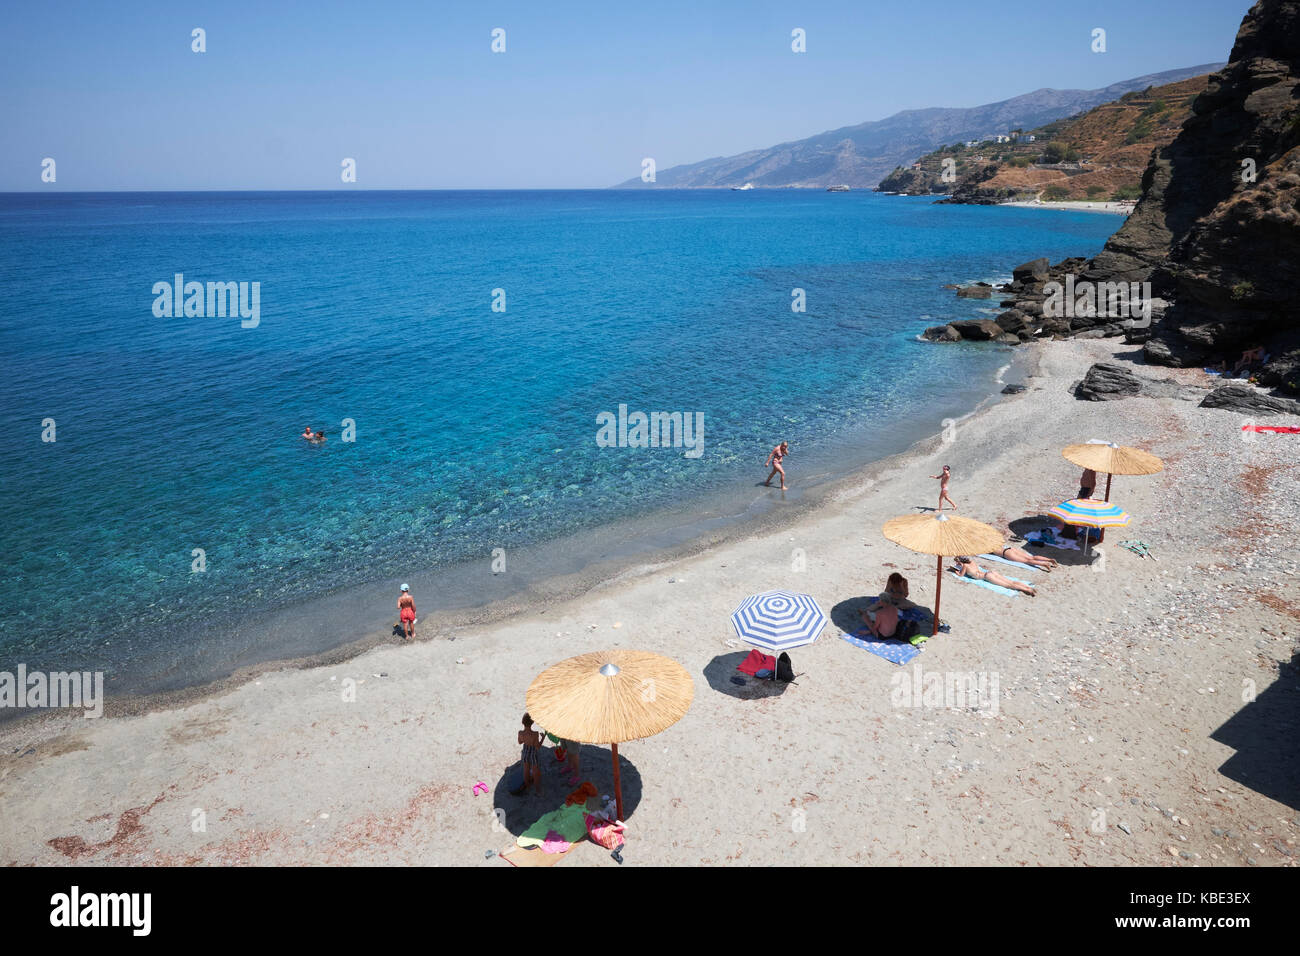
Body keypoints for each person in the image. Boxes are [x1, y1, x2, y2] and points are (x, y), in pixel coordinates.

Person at [952, 556, 1036, 596]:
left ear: (960, 562)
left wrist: (956, 570)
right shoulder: (971, 562)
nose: (956, 564)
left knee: (1008, 585)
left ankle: (1027, 590)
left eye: (957, 562)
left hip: (987, 577)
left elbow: (960, 575)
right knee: (1011, 581)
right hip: (991, 572)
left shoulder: (965, 566)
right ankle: (1028, 587)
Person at [518, 713, 545, 795]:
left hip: (525, 751)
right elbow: (537, 747)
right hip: (533, 753)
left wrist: (525, 740)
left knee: (526, 770)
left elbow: (520, 742)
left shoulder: (520, 733)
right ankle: (537, 790)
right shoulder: (535, 734)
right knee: (535, 771)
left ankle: (528, 786)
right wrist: (543, 738)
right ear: (532, 722)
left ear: (523, 722)